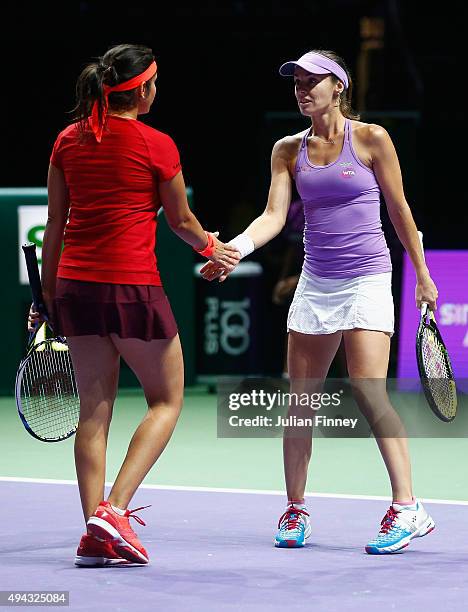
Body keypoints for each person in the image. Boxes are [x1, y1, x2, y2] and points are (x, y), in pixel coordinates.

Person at [200, 49, 438, 554]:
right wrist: (235, 250)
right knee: (299, 401)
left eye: (313, 81)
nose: (302, 89)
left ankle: (407, 507)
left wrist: (421, 274)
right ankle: (295, 508)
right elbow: (272, 216)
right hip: (316, 283)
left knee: (368, 392)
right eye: (297, 82)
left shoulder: (372, 139)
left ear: (338, 87)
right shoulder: (287, 150)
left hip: (368, 278)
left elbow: (399, 211)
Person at [28, 43, 239, 567]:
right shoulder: (157, 144)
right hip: (131, 288)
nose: (156, 89)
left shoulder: (65, 141)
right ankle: (114, 512)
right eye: (155, 82)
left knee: (92, 416)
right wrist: (217, 249)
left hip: (76, 287)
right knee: (167, 400)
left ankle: (93, 534)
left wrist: (49, 296)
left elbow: (55, 225)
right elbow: (182, 222)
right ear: (141, 89)